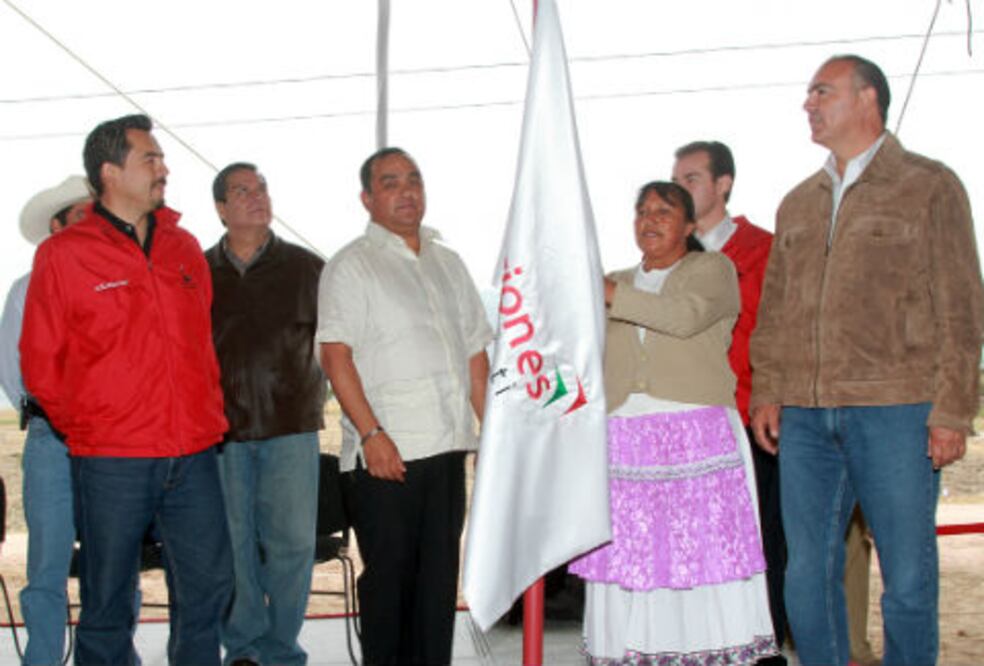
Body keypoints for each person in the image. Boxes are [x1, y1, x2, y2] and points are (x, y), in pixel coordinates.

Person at [749, 55, 984, 666]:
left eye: (821, 91)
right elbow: (775, 310)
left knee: (906, 576)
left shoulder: (929, 185)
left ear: (867, 99)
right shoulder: (797, 203)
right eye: (807, 93)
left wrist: (953, 409)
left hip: (898, 411)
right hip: (804, 416)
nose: (808, 103)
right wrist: (768, 388)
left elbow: (962, 306)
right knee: (805, 575)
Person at [19, 114, 234, 665]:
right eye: (150, 159)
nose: (164, 168)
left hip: (193, 454)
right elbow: (40, 364)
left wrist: (202, 412)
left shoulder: (184, 247)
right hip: (112, 458)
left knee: (208, 587)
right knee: (108, 597)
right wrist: (94, 425)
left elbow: (201, 343)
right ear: (110, 172)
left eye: (161, 158)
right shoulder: (63, 255)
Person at [569, 181, 777, 664]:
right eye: (641, 211)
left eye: (664, 210)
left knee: (700, 560)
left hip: (697, 438)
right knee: (632, 564)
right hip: (623, 442)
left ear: (689, 225)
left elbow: (685, 317)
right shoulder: (613, 278)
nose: (650, 219)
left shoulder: (713, 269)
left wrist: (606, 292)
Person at [316, 147, 491, 665]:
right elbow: (335, 355)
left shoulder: (449, 263)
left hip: (447, 447)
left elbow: (475, 358)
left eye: (414, 179)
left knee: (437, 588)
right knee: (390, 590)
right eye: (390, 182)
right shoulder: (352, 265)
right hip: (385, 457)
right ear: (368, 199)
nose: (407, 191)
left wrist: (494, 437)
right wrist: (372, 435)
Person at [206, 162, 326, 666]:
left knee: (293, 548)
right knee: (232, 549)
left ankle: (281, 650)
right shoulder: (196, 272)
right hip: (220, 434)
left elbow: (336, 347)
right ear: (221, 208)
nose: (256, 197)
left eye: (261, 188)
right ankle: (244, 649)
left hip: (291, 429)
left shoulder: (308, 268)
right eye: (242, 191)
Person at [672, 141, 785, 664]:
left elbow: (777, 332)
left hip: (750, 422)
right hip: (688, 430)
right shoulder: (669, 257)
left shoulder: (764, 250)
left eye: (693, 178)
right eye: (678, 180)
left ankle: (763, 646)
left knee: (760, 550)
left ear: (724, 184)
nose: (682, 189)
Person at [0, 176, 91, 665]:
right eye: (80, 215)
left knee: (111, 564)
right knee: (48, 566)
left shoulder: (117, 284)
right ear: (55, 227)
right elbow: (13, 373)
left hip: (110, 441)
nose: (91, 223)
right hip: (50, 442)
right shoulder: (26, 288)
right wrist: (45, 414)